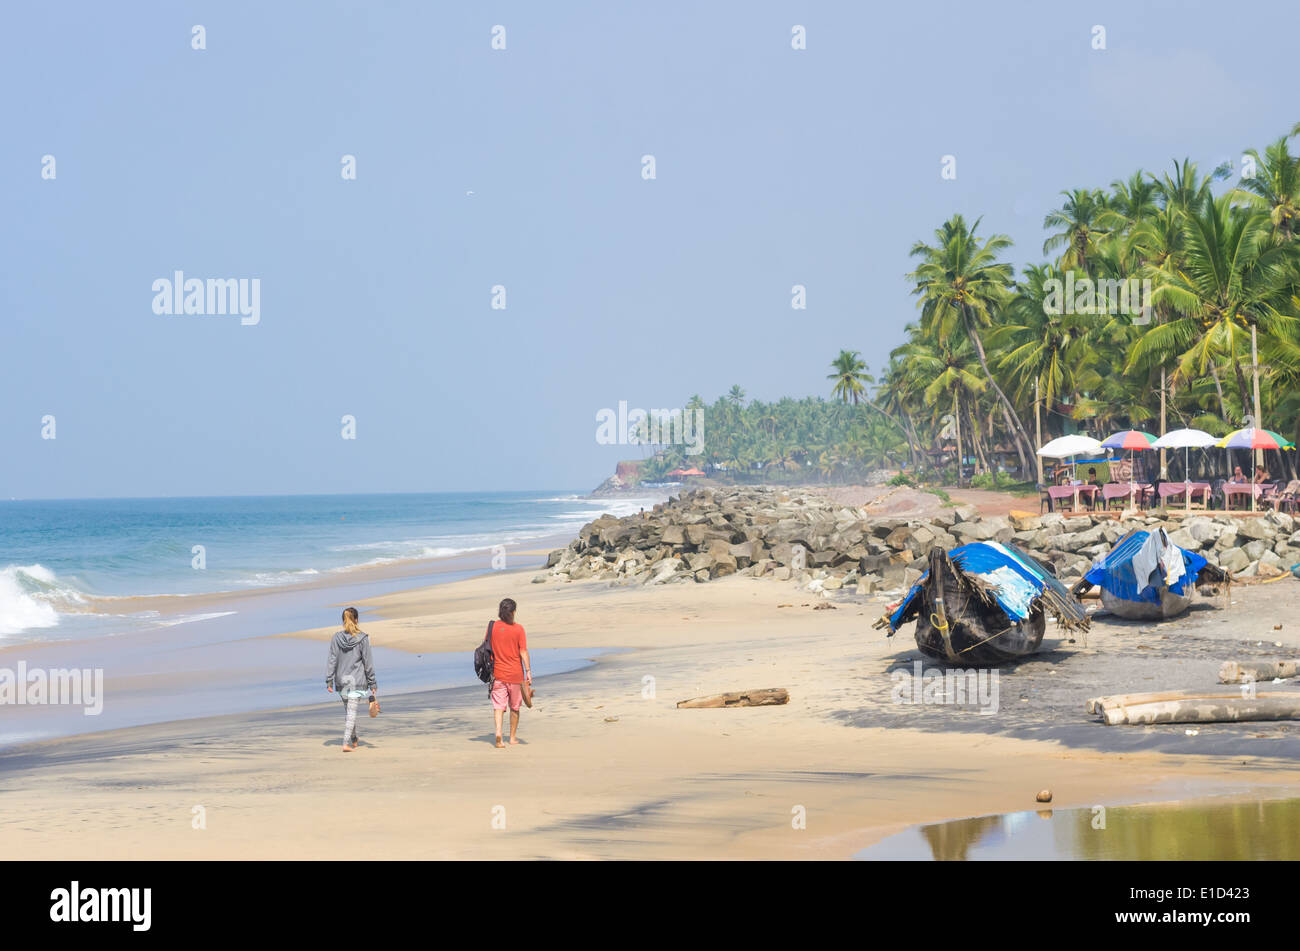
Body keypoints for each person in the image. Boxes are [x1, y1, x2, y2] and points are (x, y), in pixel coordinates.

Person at [325, 607, 378, 753]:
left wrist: (329, 680)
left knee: (349, 712)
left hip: (342, 680)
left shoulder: (336, 638)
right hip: (357, 680)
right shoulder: (363, 638)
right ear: (356, 620)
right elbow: (368, 663)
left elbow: (332, 660)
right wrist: (373, 683)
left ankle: (354, 738)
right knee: (351, 713)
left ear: (343, 621)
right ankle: (345, 743)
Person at [489, 597, 531, 748]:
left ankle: (498, 733)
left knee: (498, 707)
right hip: (515, 675)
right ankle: (512, 738)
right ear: (513, 612)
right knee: (515, 707)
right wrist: (528, 671)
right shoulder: (518, 629)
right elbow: (523, 651)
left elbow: (488, 648)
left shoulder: (493, 627)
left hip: (498, 674)